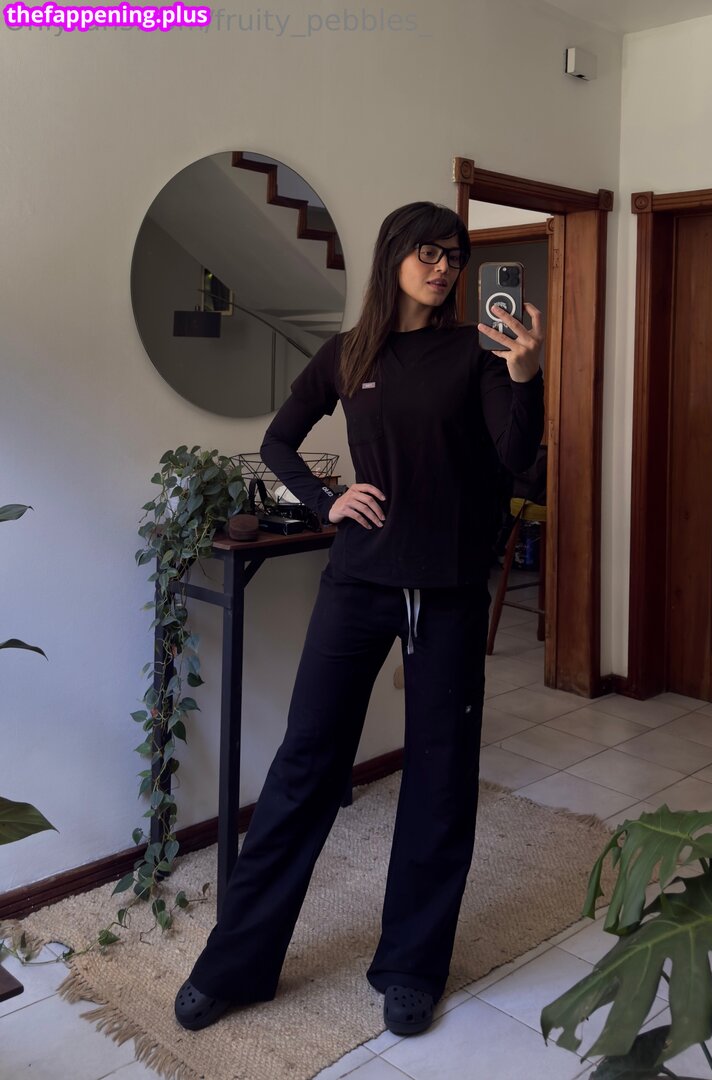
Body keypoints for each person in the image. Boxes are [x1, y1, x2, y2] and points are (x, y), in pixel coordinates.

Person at [174, 201, 545, 1037]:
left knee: (440, 777)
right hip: (359, 582)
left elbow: (518, 457)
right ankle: (235, 964)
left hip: (448, 590)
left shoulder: (479, 353)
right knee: (305, 765)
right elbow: (279, 441)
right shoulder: (348, 354)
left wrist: (526, 377)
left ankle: (412, 966)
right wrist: (325, 500)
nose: (444, 267)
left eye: (454, 255)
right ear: (393, 257)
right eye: (428, 252)